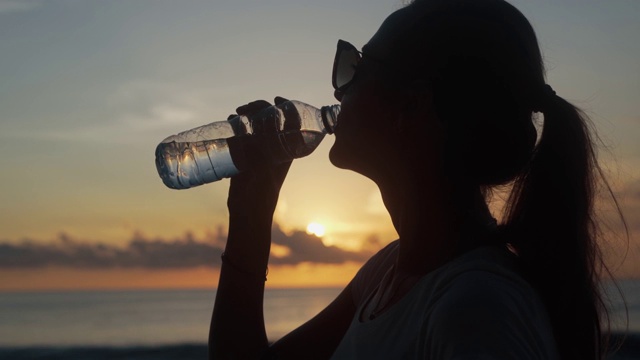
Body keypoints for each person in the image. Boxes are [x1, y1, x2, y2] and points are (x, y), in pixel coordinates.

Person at [208, 0, 622, 359]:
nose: (338, 92)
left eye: (357, 68)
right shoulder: (390, 273)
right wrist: (251, 210)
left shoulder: (476, 309)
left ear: (410, 107)